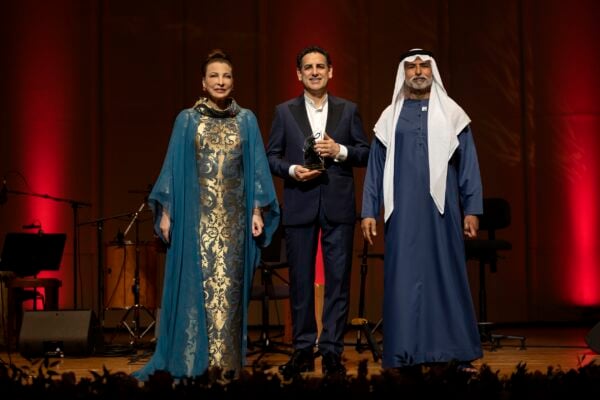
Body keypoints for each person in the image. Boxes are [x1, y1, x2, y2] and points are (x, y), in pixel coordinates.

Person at [132, 49, 280, 380]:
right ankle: (190, 363)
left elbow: (255, 169)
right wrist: (167, 213)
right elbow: (171, 167)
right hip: (193, 222)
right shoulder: (187, 119)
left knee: (229, 294)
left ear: (233, 81)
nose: (221, 81)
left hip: (234, 225)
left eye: (226, 75)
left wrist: (257, 210)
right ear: (203, 81)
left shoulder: (247, 120)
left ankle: (225, 364)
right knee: (192, 291)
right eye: (214, 75)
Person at [361, 48, 483, 371]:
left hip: (442, 213)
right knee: (403, 279)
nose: (418, 71)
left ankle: (454, 353)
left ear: (433, 71)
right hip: (402, 214)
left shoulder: (453, 114)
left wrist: (472, 207)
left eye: (424, 66)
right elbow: (376, 167)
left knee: (447, 276)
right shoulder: (390, 116)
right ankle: (405, 353)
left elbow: (468, 163)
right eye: (412, 66)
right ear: (403, 73)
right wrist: (369, 210)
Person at [266, 45, 370, 378]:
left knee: (339, 283)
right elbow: (271, 157)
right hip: (300, 203)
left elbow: (365, 152)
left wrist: (339, 150)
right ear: (298, 74)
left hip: (338, 206)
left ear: (330, 72)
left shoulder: (348, 110)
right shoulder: (284, 112)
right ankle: (302, 350)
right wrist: (293, 171)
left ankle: (332, 352)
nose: (314, 71)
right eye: (308, 67)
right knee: (300, 282)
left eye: (320, 66)